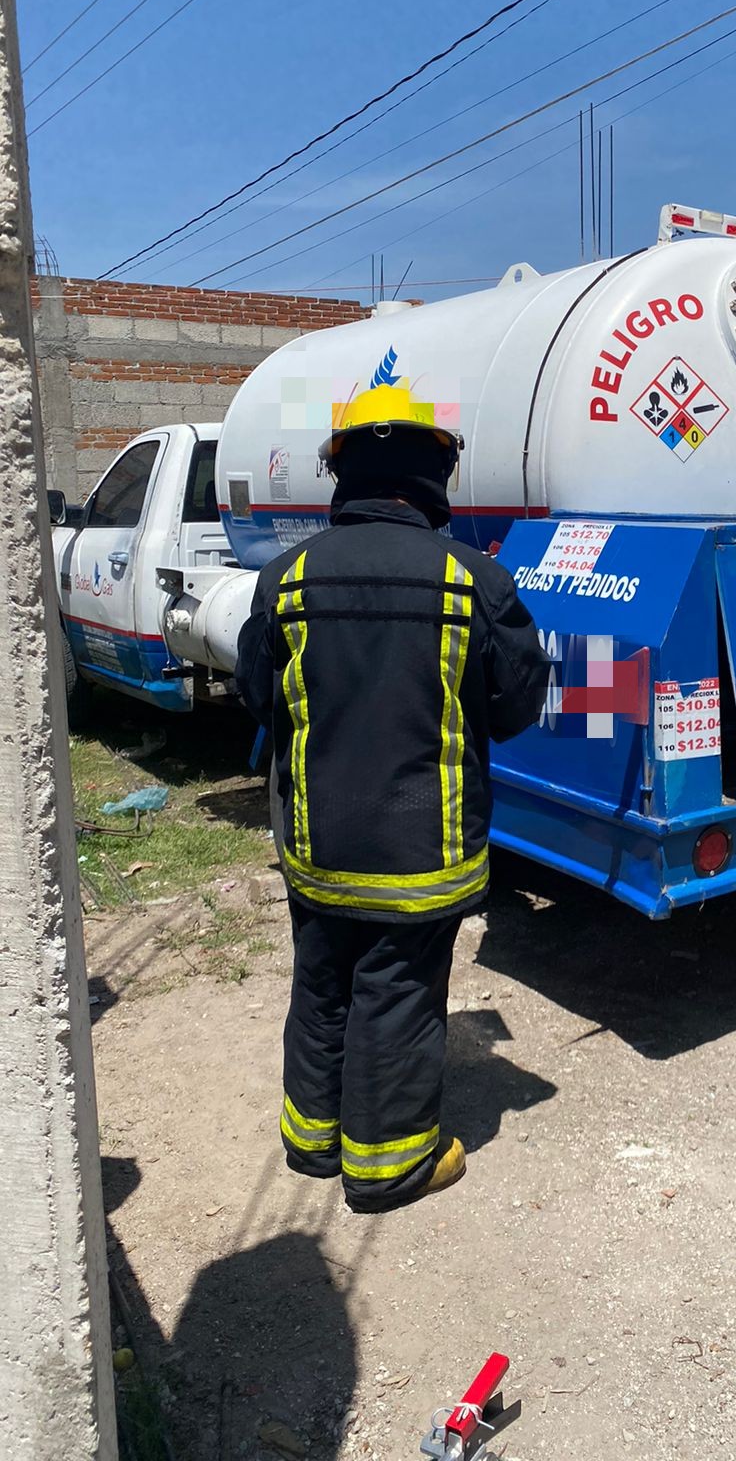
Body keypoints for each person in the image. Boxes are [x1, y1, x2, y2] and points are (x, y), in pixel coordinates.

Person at [235, 382, 549, 1214]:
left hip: (317, 841)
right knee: (397, 990)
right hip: (421, 847)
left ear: (343, 473)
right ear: (434, 473)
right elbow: (517, 707)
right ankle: (390, 1166)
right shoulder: (474, 581)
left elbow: (257, 694)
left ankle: (313, 1140)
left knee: (323, 980)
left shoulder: (285, 579)